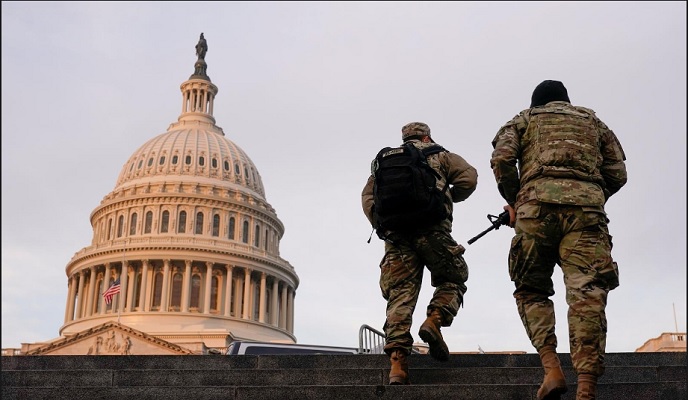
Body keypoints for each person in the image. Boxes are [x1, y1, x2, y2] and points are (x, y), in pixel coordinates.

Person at [490, 80, 627, 400]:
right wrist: (589, 193)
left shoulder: (523, 119)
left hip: (534, 213)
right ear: (566, 101)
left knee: (531, 290)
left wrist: (515, 201)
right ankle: (586, 387)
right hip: (586, 216)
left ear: (537, 103)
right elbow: (618, 173)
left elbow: (501, 160)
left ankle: (551, 368)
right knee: (587, 295)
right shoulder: (594, 122)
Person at [362, 122, 478, 385]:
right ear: (426, 136)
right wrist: (446, 197)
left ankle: (397, 367)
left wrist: (381, 224)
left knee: (400, 298)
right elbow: (469, 179)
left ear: (404, 139)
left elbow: (368, 198)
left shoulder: (383, 163)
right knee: (454, 278)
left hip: (397, 239)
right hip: (434, 232)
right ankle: (435, 319)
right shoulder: (441, 155)